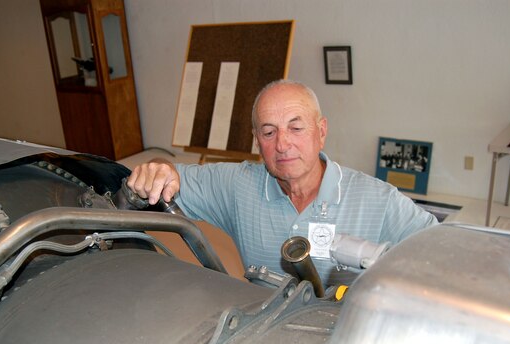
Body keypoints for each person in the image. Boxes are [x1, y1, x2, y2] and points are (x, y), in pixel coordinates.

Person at [127, 79, 438, 286]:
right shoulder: (239, 186)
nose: (282, 144)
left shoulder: (377, 201)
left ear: (322, 131)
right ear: (257, 141)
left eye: (296, 127)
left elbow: (443, 252)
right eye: (269, 132)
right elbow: (173, 176)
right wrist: (158, 171)